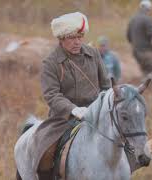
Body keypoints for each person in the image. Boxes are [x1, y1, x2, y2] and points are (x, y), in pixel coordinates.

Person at [34, 12, 110, 179]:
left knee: (127, 142)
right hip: (63, 119)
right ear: (61, 38)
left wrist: (103, 106)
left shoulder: (94, 54)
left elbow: (106, 85)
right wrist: (73, 109)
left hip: (96, 113)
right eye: (71, 37)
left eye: (80, 36)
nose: (77, 42)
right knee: (45, 154)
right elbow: (52, 95)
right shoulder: (51, 63)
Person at [126, 0, 152, 80]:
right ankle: (149, 84)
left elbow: (128, 38)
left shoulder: (132, 20)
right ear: (149, 9)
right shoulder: (148, 20)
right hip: (146, 52)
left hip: (136, 52)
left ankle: (146, 89)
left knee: (147, 71)